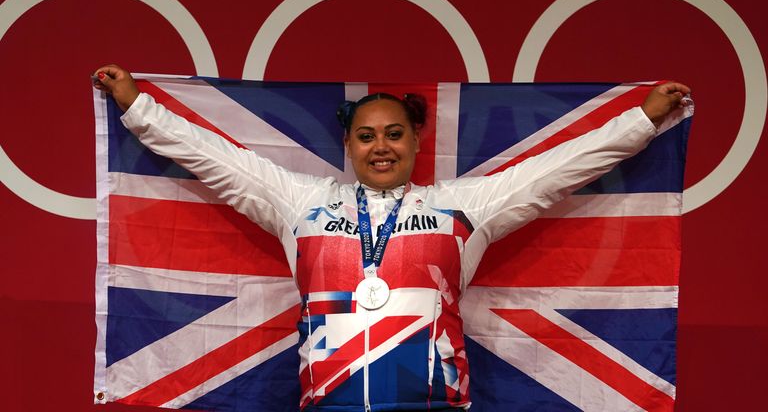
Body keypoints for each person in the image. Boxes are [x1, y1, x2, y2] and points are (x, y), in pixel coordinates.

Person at [93, 65, 690, 411]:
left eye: (395, 134)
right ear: (348, 146)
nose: (381, 147)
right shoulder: (301, 202)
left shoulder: (461, 206)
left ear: (415, 142)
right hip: (328, 403)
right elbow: (213, 158)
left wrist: (641, 119)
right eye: (367, 136)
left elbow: (559, 168)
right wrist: (138, 107)